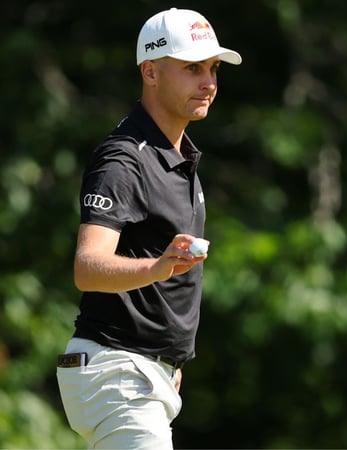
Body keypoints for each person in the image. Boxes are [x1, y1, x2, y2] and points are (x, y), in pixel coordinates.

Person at [56, 8, 241, 449]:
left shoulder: (179, 158)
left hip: (146, 376)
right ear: (151, 72)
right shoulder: (124, 159)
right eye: (193, 68)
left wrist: (170, 362)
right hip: (119, 373)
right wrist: (158, 266)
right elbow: (88, 266)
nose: (209, 82)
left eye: (213, 69)